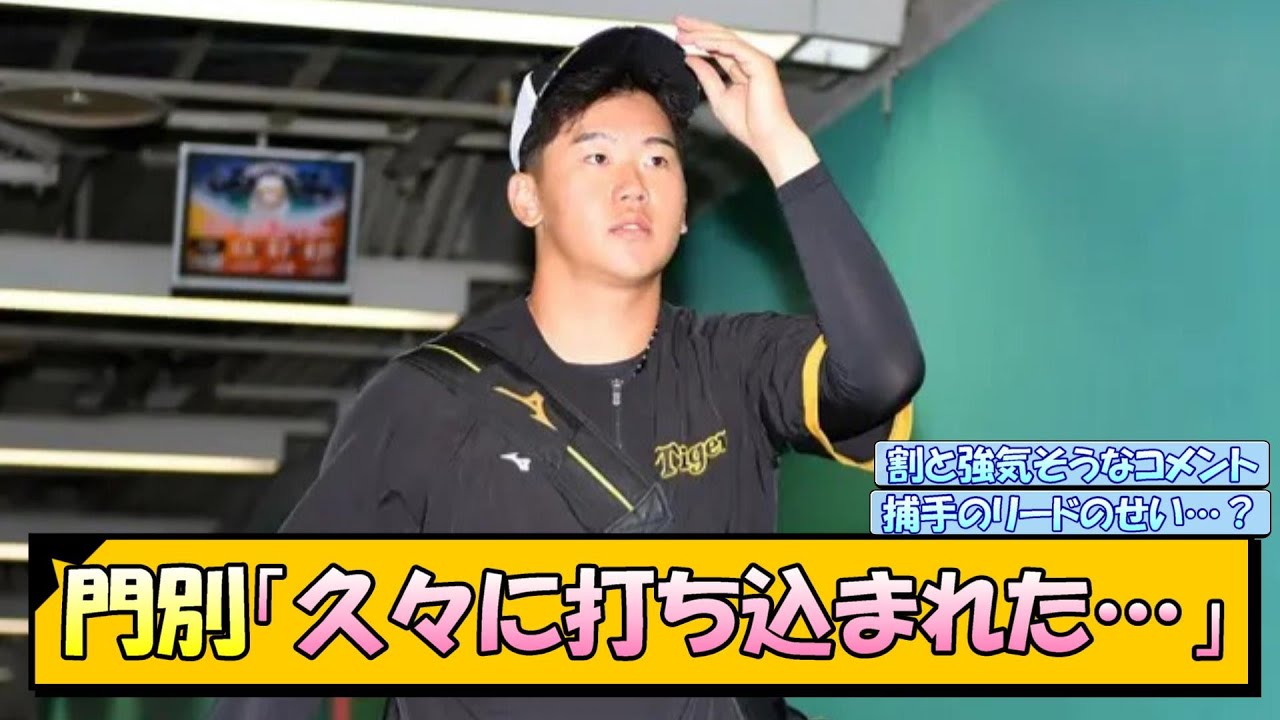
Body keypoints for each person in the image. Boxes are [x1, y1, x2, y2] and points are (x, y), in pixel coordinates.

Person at [210, 15, 923, 720]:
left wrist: (782, 143)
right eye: (596, 156)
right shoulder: (424, 400)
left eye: (658, 159)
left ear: (682, 209)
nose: (634, 184)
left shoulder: (732, 365)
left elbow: (881, 372)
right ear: (528, 199)